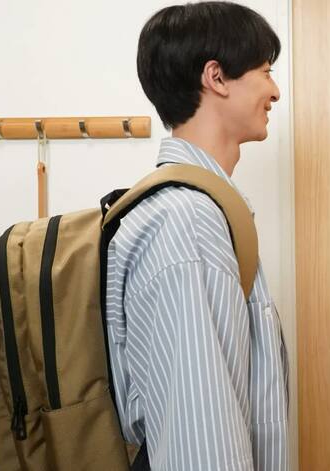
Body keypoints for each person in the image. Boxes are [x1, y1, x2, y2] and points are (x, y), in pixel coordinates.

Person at [105, 3, 288, 469]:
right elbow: (200, 443)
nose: (275, 91)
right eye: (265, 71)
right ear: (217, 77)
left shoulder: (200, 209)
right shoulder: (188, 222)